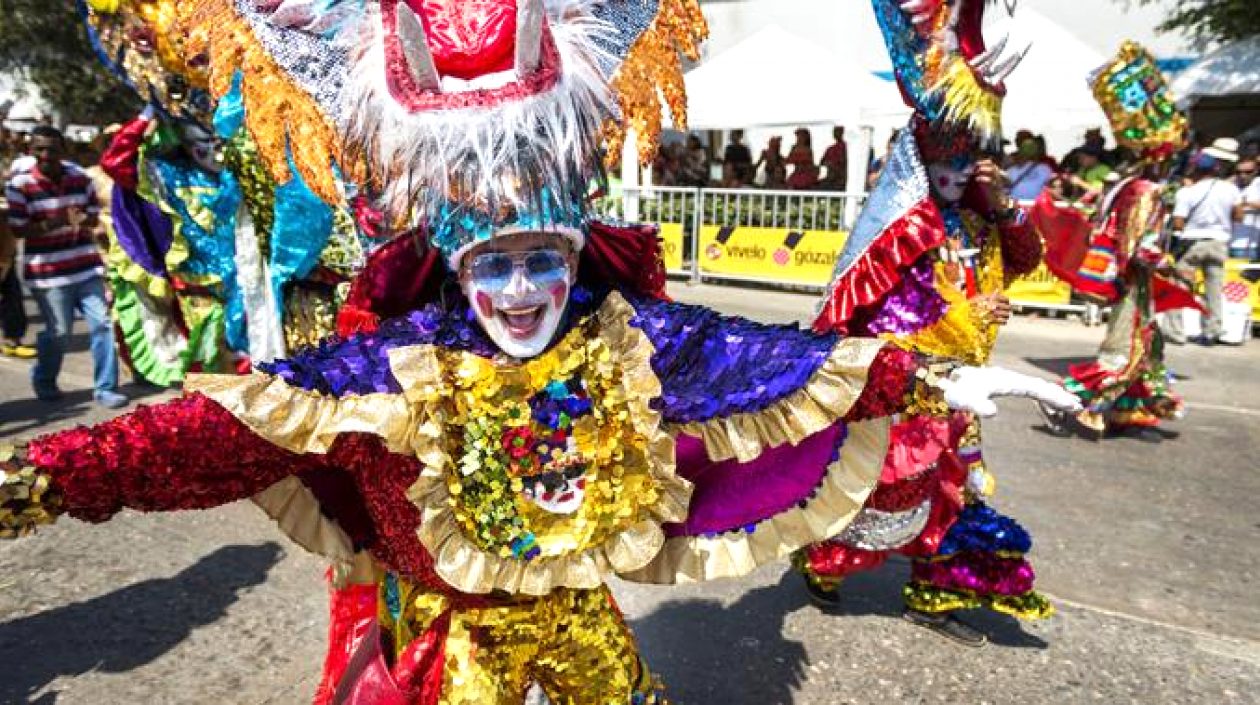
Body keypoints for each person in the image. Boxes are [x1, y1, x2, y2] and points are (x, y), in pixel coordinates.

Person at [1, 2, 1080, 702]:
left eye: (540, 262)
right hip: (453, 646)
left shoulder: (619, 338)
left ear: (573, 257)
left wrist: (940, 374)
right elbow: (209, 433)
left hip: (580, 621)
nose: (521, 292)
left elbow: (774, 362)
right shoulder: (398, 365)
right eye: (495, 267)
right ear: (457, 268)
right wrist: (43, 478)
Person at [798, 0, 1050, 647]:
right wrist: (968, 315)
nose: (963, 169)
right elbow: (886, 319)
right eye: (952, 154)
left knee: (960, 492)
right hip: (913, 394)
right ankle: (822, 559)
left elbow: (1025, 259)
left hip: (965, 389)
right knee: (889, 495)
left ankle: (938, 590)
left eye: (973, 155)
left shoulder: (975, 218)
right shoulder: (904, 229)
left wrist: (1004, 206)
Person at [1034, 40, 1196, 438]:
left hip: (1134, 287)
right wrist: (1175, 268)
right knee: (1123, 352)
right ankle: (1061, 398)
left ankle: (1126, 413)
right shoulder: (1146, 191)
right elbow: (1139, 249)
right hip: (1132, 285)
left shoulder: (1128, 184)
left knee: (1145, 348)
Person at [4, 125, 126, 408]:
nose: (46, 155)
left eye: (52, 149)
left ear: (64, 150)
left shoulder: (80, 178)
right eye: (39, 149)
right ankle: (44, 379)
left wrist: (84, 220)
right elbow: (19, 229)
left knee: (103, 326)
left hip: (85, 267)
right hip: (48, 275)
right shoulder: (19, 185)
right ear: (30, 151)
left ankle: (105, 388)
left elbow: (93, 216)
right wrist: (60, 221)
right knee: (59, 333)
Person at [1163, 148, 1242, 345]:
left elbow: (1179, 223)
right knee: (1213, 289)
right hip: (1219, 243)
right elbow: (1238, 215)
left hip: (1193, 244)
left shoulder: (1187, 192)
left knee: (1180, 287)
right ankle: (1212, 331)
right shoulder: (1231, 189)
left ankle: (1175, 332)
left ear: (1194, 169)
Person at [1007, 132, 1056, 202]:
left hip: (1015, 207)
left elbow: (1005, 191)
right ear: (1037, 153)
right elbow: (1052, 190)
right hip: (1036, 207)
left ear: (1020, 153)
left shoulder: (1010, 171)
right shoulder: (1046, 170)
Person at [1232, 158, 1260, 259]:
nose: (1242, 175)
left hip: (1250, 245)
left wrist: (1245, 203)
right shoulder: (1231, 185)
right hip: (1229, 243)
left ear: (1256, 171)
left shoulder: (1258, 183)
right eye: (1238, 172)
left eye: (1248, 172)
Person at [819, 126, 848, 191]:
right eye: (835, 132)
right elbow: (822, 162)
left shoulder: (847, 148)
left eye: (838, 131)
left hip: (842, 178)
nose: (836, 134)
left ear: (843, 133)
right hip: (831, 177)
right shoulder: (830, 149)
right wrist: (829, 164)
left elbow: (845, 161)